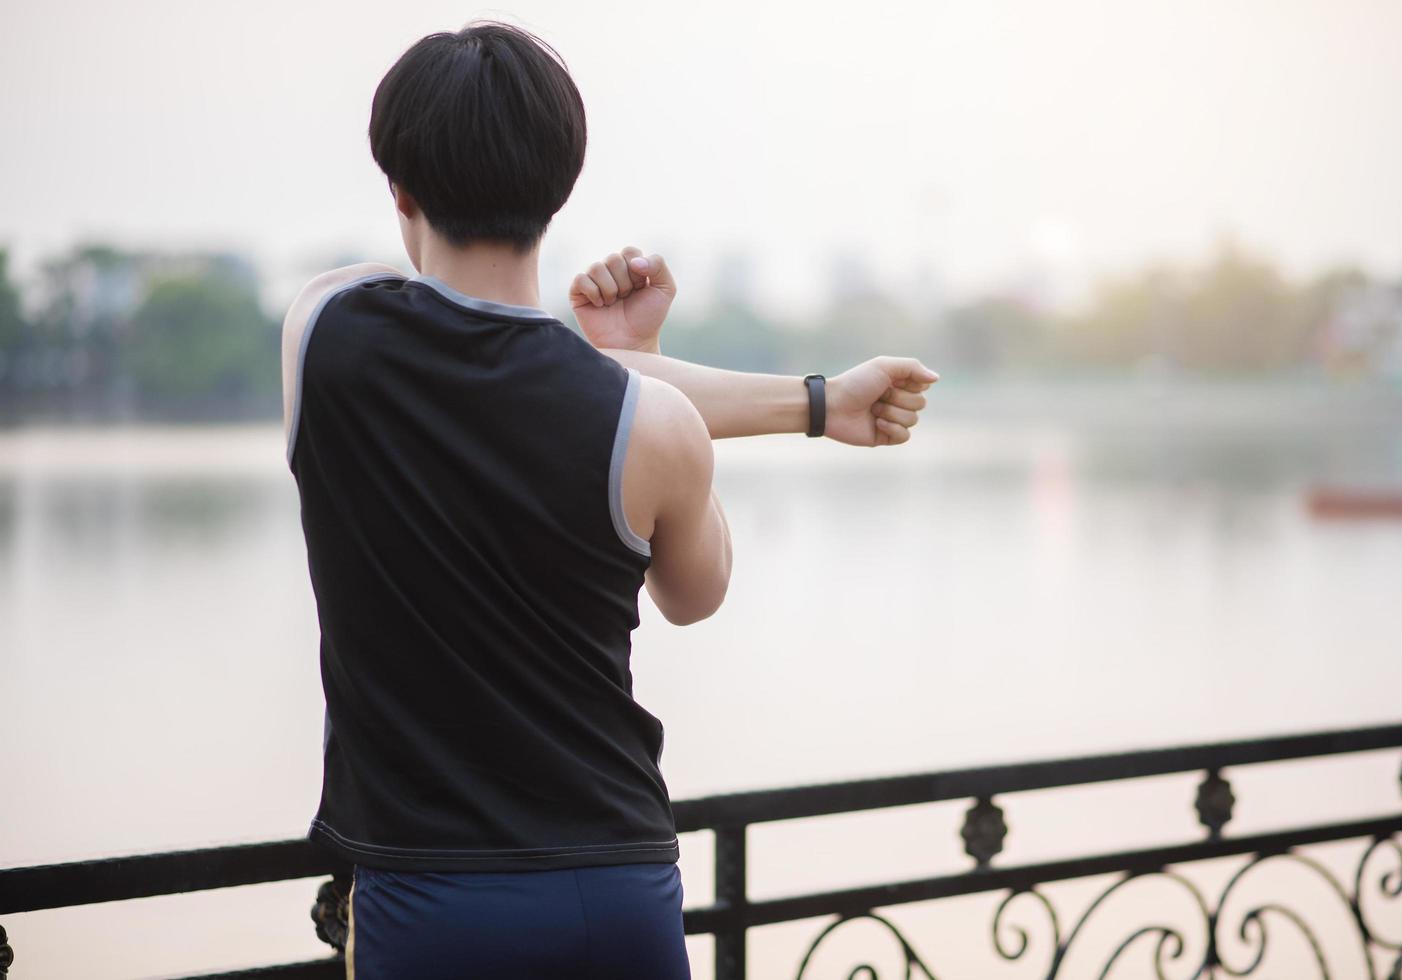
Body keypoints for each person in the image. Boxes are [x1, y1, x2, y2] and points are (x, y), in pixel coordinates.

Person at [279, 20, 939, 980]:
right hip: (614, 888)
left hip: (430, 898)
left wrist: (763, 393)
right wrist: (690, 379)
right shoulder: (652, 422)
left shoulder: (327, 332)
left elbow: (495, 351)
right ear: (560, 189)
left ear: (401, 190)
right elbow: (694, 592)